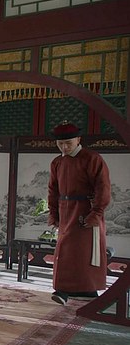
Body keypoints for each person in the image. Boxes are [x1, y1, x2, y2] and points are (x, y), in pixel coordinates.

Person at [47, 121, 111, 305]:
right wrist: (53, 213)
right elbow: (53, 190)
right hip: (65, 209)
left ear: (78, 140)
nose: (64, 147)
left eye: (68, 143)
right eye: (60, 144)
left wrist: (96, 213)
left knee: (84, 251)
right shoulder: (57, 162)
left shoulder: (92, 158)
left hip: (85, 209)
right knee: (65, 251)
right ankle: (63, 289)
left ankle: (87, 289)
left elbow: (103, 188)